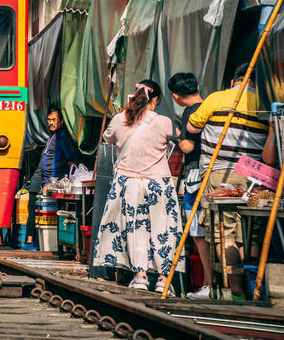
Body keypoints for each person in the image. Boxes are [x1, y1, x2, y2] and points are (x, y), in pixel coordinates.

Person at [92, 80, 184, 293]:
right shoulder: (164, 122)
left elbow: (109, 138)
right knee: (164, 230)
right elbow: (178, 138)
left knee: (135, 229)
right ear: (156, 100)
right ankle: (163, 280)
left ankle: (140, 277)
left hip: (129, 183)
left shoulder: (119, 119)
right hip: (159, 184)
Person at [187, 63, 268, 299]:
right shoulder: (264, 104)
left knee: (225, 233)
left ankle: (238, 290)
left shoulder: (217, 98)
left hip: (221, 174)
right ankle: (253, 287)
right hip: (256, 175)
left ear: (234, 80)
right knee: (250, 234)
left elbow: (192, 127)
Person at [168, 72, 211, 299]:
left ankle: (208, 285)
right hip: (215, 175)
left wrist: (176, 135)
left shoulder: (189, 112)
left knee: (198, 232)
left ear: (176, 96)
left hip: (195, 174)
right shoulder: (211, 106)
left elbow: (187, 146)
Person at [16, 107, 78, 250]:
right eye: (49, 120)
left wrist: (64, 180)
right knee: (33, 208)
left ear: (61, 121)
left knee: (45, 211)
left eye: (54, 120)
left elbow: (72, 159)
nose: (51, 123)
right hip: (40, 177)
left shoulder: (62, 136)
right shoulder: (52, 136)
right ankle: (30, 241)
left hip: (53, 178)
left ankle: (38, 243)